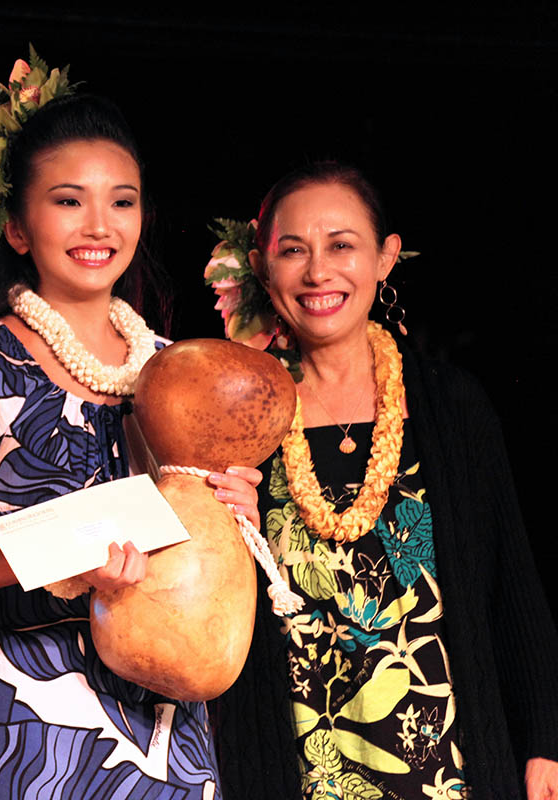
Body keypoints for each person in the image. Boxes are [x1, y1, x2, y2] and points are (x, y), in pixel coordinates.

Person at [0, 53, 263, 798]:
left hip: (163, 728)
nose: (100, 225)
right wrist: (65, 556)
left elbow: (199, 548)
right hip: (28, 718)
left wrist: (235, 513)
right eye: (69, 201)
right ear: (17, 226)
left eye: (122, 201)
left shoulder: (172, 368)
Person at [205, 162, 558, 799]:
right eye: (293, 250)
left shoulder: (450, 404)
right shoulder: (236, 417)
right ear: (261, 267)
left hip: (451, 769)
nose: (318, 272)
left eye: (342, 245)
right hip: (300, 770)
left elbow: (513, 588)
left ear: (385, 258)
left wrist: (543, 747)